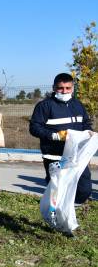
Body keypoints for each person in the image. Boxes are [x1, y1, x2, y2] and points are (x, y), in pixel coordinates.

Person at [29, 73, 93, 205]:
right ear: (54, 88)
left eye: (68, 88)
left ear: (72, 88)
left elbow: (86, 123)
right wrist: (54, 135)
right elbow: (34, 128)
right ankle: (57, 217)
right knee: (57, 191)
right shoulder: (44, 106)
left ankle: (70, 208)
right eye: (60, 88)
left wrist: (88, 132)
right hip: (54, 156)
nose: (64, 91)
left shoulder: (78, 105)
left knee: (84, 189)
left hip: (76, 155)